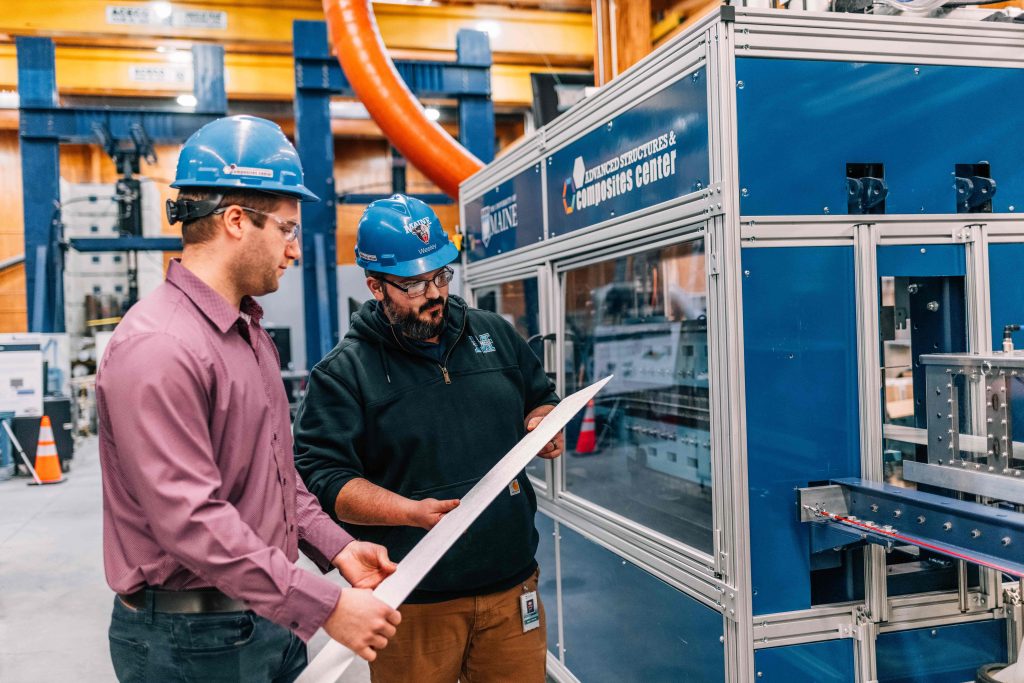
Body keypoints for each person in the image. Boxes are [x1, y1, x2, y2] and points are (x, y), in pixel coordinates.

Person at [96, 115, 400, 683]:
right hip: (193, 642)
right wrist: (325, 605)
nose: (294, 250)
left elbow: (274, 481)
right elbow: (191, 521)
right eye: (286, 229)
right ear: (236, 221)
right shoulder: (160, 347)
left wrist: (337, 548)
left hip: (264, 615)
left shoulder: (247, 333)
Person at [293, 194, 562, 683]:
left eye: (440, 274)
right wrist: (408, 512)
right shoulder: (344, 374)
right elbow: (323, 480)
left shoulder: (494, 334)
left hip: (512, 586)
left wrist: (544, 420)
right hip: (413, 603)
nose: (433, 292)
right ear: (376, 286)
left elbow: (540, 396)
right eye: (414, 283)